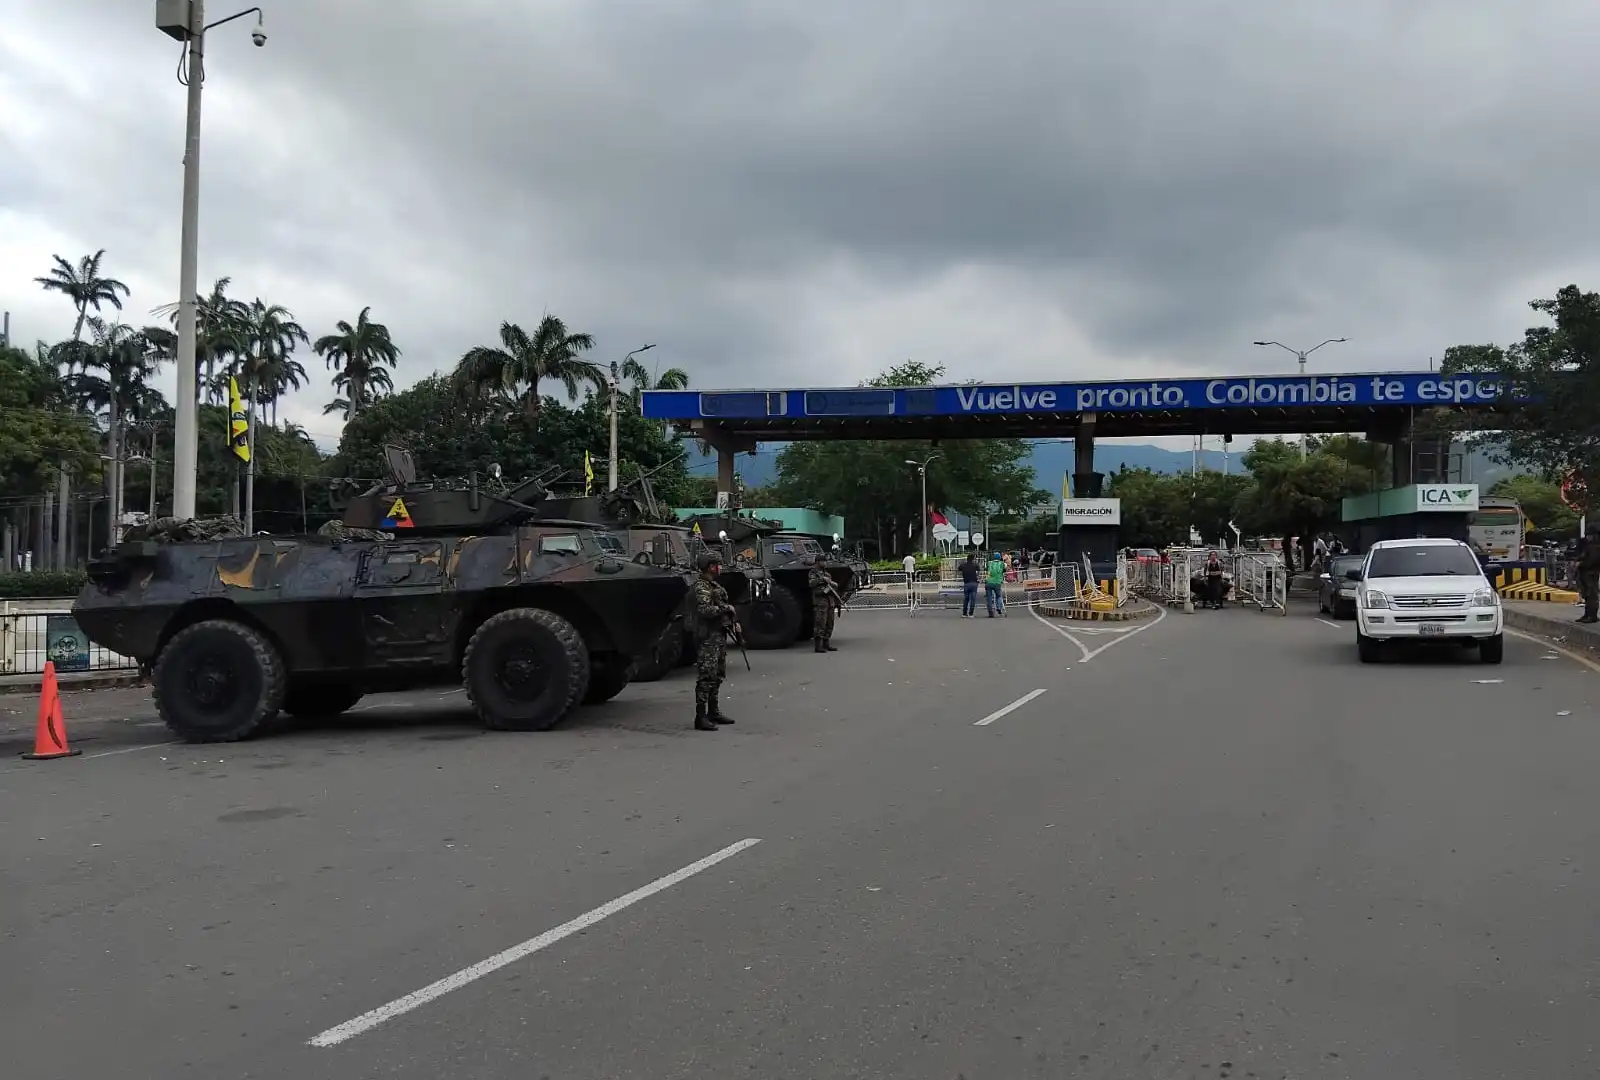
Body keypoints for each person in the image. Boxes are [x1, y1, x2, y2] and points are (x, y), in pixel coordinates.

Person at [690, 552, 738, 730]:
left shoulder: (713, 585)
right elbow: (704, 610)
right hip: (708, 638)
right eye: (717, 564)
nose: (720, 567)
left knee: (717, 675)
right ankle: (700, 716)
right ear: (711, 567)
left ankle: (713, 711)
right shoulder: (701, 586)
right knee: (706, 677)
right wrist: (725, 608)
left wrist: (733, 620)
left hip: (718, 635)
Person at [808, 553, 843, 652]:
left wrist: (830, 582)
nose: (825, 563)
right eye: (823, 561)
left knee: (829, 623)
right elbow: (811, 583)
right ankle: (818, 646)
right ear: (818, 562)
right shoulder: (813, 572)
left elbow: (833, 586)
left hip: (829, 600)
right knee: (820, 623)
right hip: (820, 601)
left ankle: (826, 643)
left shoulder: (827, 574)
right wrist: (822, 580)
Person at [1579, 526, 1600, 624]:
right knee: (1587, 594)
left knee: (1592, 594)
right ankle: (1587, 614)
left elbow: (1592, 560)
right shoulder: (1588, 545)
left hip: (1591, 572)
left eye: (1589, 535)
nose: (1587, 537)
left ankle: (1592, 615)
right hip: (1585, 572)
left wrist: (1581, 563)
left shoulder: (1595, 546)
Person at [958, 551, 980, 618]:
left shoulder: (963, 565)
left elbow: (959, 569)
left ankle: (964, 613)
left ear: (967, 559)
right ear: (973, 559)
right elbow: (979, 570)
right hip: (974, 583)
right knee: (973, 599)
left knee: (966, 599)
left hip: (966, 583)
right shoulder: (975, 565)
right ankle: (971, 614)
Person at [985, 551, 1006, 617]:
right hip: (997, 582)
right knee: (998, 596)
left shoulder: (989, 563)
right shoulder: (1002, 563)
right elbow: (1004, 570)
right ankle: (998, 607)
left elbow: (987, 569)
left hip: (988, 582)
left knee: (989, 598)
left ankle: (990, 612)